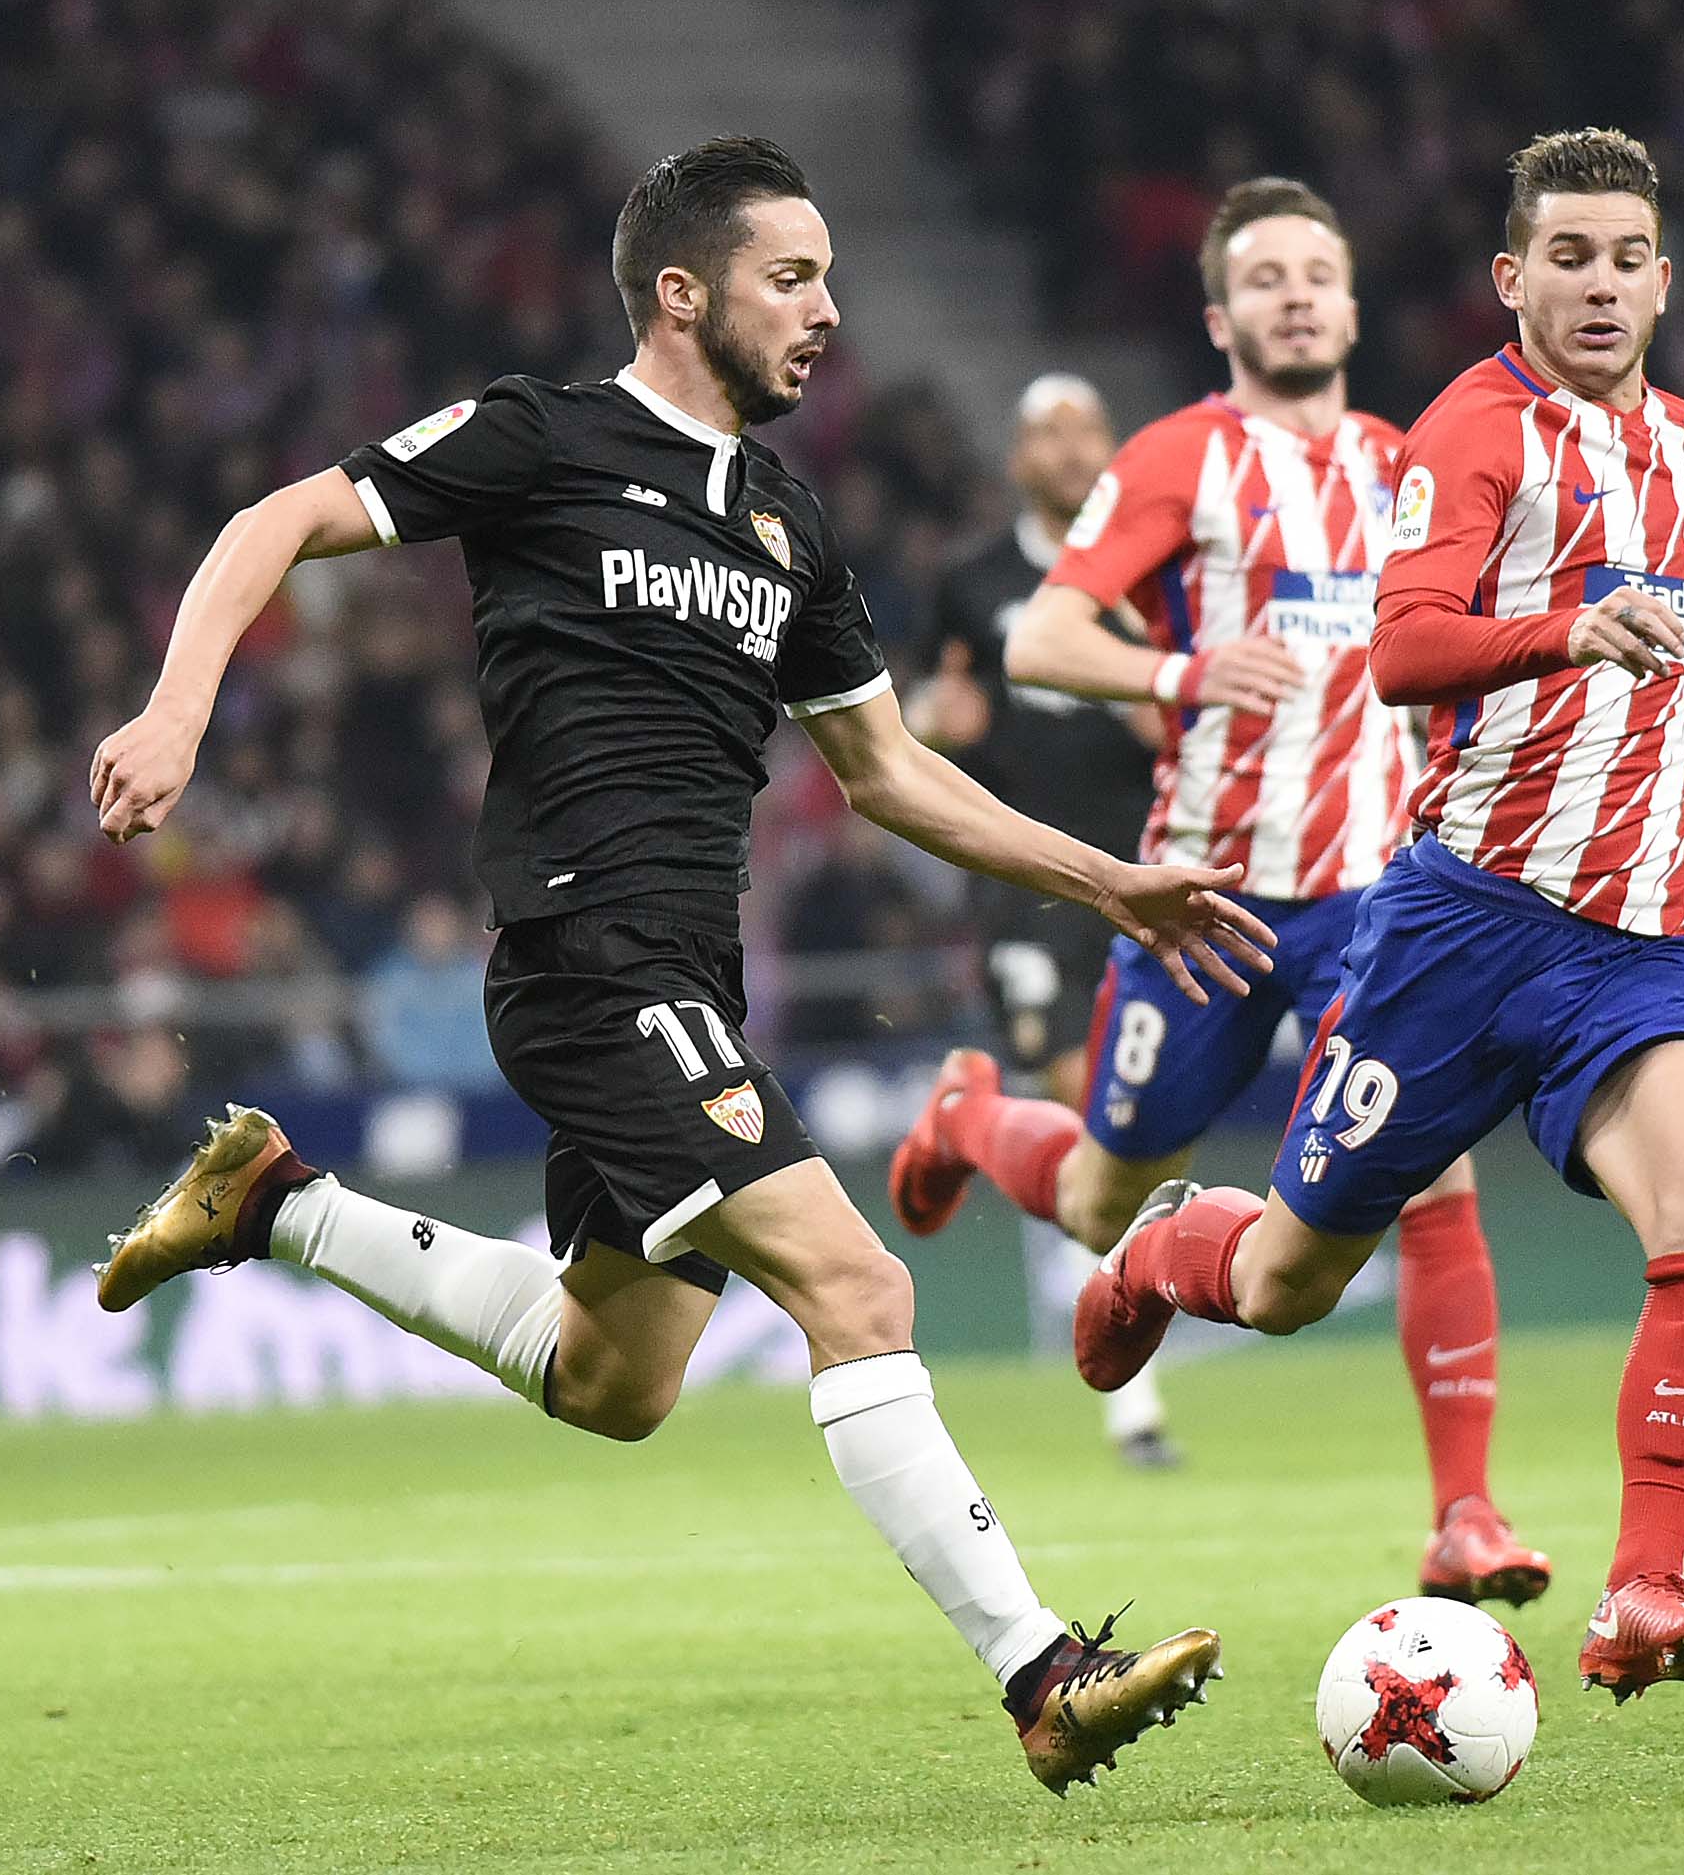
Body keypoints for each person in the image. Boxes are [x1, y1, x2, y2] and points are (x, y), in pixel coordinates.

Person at [85, 138, 1274, 1793]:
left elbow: (886, 773)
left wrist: (1107, 881)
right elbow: (274, 517)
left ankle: (276, 1202)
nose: (827, 311)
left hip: (684, 981)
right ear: (680, 292)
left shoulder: (788, 523)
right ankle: (1040, 1671)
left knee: (614, 1377)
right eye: (792, 277)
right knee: (859, 1290)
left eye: (831, 279)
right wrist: (179, 708)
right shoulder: (540, 438)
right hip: (585, 953)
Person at [1065, 129, 1684, 1702]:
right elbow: (1403, 652)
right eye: (1566, 259)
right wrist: (1563, 630)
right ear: (1511, 279)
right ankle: (1163, 1248)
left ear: (1664, 280)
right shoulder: (1469, 430)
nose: (1599, 285)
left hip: (1641, 930)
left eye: (1626, 259)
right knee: (1285, 1289)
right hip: (1458, 928)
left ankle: (1641, 1590)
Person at [887, 178, 1549, 1604]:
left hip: (1380, 902)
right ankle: (970, 1116)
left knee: (1435, 1170)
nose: (1297, 294)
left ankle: (1465, 1512)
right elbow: (1046, 639)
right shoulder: (1181, 457)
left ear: (1354, 306)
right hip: (1202, 903)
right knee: (1092, 1192)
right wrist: (1182, 670)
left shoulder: (1412, 466)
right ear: (1219, 314)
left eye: (1320, 271)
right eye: (1266, 278)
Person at [899, 372, 1188, 1468]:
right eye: (1046, 434)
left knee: (1137, 1121)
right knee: (1080, 1088)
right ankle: (1134, 1401)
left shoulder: (1153, 573)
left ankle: (1127, 1320)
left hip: (1149, 872)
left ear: (1112, 447)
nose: (1068, 451)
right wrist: (938, 715)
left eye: (1085, 430)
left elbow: (1184, 718)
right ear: (1017, 459)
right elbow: (919, 716)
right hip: (1025, 879)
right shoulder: (973, 581)